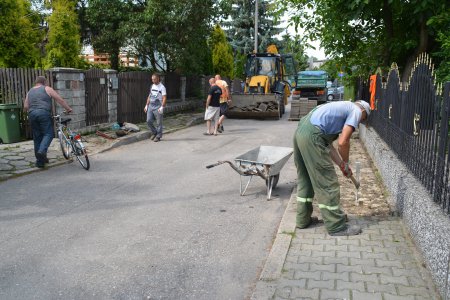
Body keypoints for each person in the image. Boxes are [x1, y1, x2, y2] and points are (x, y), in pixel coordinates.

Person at [293, 100, 371, 236]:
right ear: (363, 111)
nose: (358, 123)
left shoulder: (336, 107)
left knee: (306, 180)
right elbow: (343, 142)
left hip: (301, 133)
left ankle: (302, 219)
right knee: (328, 183)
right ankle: (336, 226)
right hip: (312, 137)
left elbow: (327, 145)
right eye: (362, 120)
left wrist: (342, 165)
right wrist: (346, 163)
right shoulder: (356, 110)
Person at [23, 76, 73, 168]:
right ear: (44, 82)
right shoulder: (47, 89)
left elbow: (26, 106)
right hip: (43, 113)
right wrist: (68, 108)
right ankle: (42, 151)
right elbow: (59, 99)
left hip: (32, 114)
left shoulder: (30, 92)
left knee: (37, 137)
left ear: (36, 83)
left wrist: (32, 111)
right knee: (48, 134)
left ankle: (40, 162)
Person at [144, 73, 167, 142]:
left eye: (154, 79)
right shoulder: (152, 86)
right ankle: (154, 132)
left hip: (158, 106)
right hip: (151, 105)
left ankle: (158, 136)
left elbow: (164, 98)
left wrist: (162, 107)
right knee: (148, 121)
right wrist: (146, 105)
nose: (153, 81)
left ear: (158, 79)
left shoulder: (162, 87)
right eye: (152, 79)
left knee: (159, 122)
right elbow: (149, 96)